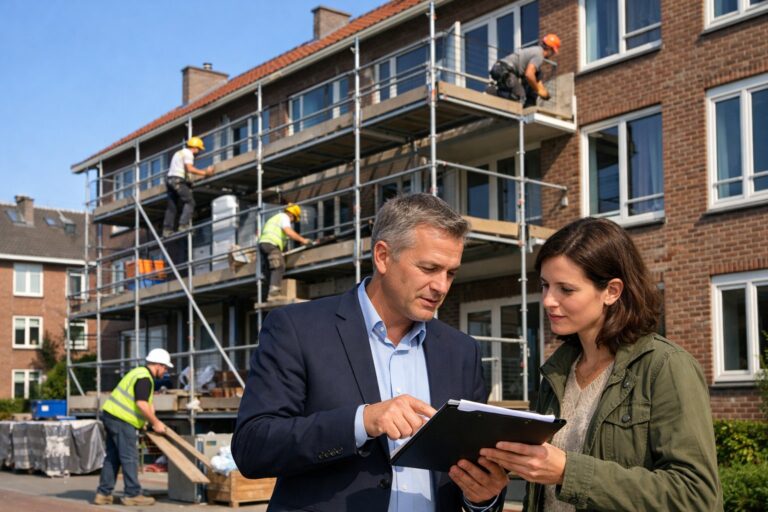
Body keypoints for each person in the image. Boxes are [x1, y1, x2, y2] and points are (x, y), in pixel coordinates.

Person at [233, 193, 509, 511]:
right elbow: (252, 447)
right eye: (429, 268)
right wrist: (362, 421)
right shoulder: (297, 329)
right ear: (382, 256)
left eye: (450, 273)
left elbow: (474, 473)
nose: (441, 286)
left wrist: (483, 497)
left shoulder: (463, 352)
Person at [479, 217, 722, 511]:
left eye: (566, 289)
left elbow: (697, 496)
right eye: (545, 285)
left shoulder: (665, 367)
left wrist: (569, 472)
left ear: (612, 291)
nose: (548, 301)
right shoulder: (555, 373)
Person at [93, 348, 174, 507]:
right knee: (129, 457)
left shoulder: (136, 373)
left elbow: (146, 404)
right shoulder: (145, 378)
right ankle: (132, 494)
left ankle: (103, 494)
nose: (165, 371)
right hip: (122, 420)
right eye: (165, 367)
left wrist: (149, 419)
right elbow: (141, 403)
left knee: (113, 457)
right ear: (157, 365)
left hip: (112, 415)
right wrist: (156, 422)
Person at [257, 203, 312, 301]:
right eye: (293, 220)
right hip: (271, 244)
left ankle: (266, 295)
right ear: (292, 215)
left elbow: (283, 238)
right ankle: (273, 295)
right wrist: (303, 240)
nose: (292, 222)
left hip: (264, 245)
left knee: (269, 270)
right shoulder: (284, 217)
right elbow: (288, 231)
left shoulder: (275, 219)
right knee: (279, 266)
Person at [489, 33, 560, 107]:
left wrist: (544, 93)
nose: (552, 55)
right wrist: (538, 90)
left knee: (537, 74)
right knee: (520, 96)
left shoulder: (536, 51)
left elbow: (537, 81)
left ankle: (499, 94)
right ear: (550, 49)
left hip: (501, 69)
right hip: (503, 70)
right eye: (553, 52)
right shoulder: (539, 55)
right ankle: (492, 92)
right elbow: (529, 75)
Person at [162, 136, 214, 237]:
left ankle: (167, 230)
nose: (198, 152)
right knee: (190, 202)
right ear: (194, 147)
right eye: (198, 149)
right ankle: (183, 225)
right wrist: (205, 173)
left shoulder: (179, 153)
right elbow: (189, 168)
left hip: (170, 181)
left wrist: (188, 181)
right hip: (177, 180)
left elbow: (182, 169)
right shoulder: (188, 154)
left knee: (171, 207)